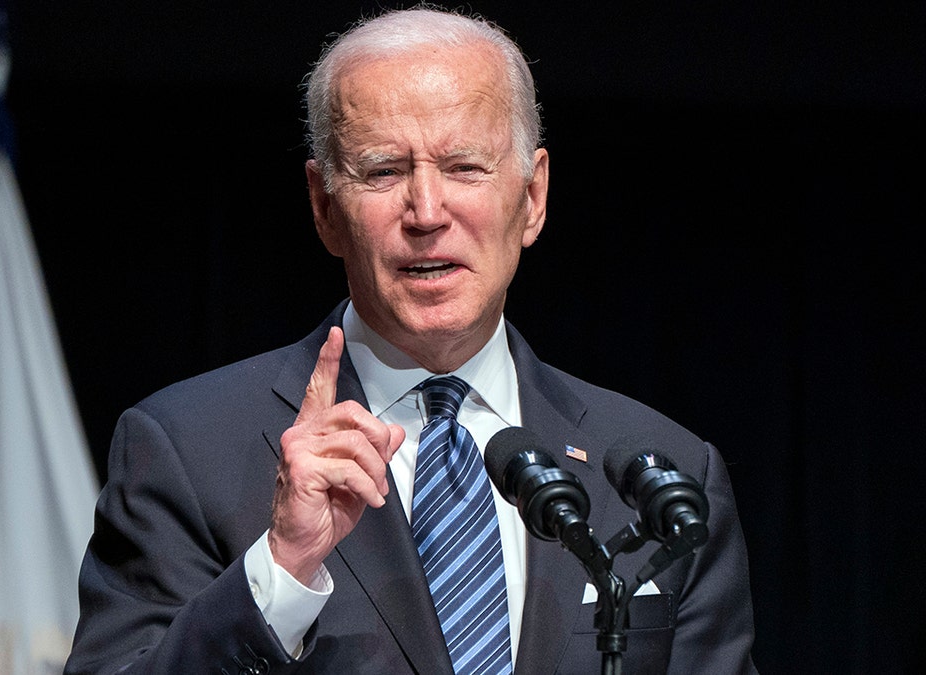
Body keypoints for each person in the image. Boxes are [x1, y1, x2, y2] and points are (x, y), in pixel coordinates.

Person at [64, 5, 757, 674]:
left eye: (464, 167)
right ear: (324, 208)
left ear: (534, 196)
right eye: (384, 171)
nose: (427, 212)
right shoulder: (187, 450)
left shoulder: (668, 473)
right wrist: (279, 570)